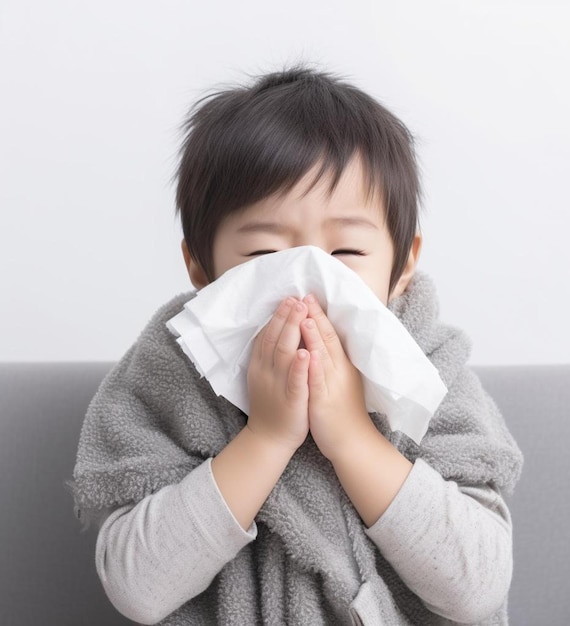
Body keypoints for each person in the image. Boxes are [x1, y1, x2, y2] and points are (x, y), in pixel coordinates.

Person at [71, 66, 523, 625]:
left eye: (348, 254)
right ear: (199, 266)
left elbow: (476, 585)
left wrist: (354, 436)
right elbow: (137, 586)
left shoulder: (430, 369)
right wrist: (265, 437)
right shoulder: (169, 369)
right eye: (264, 256)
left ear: (403, 264)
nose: (309, 280)